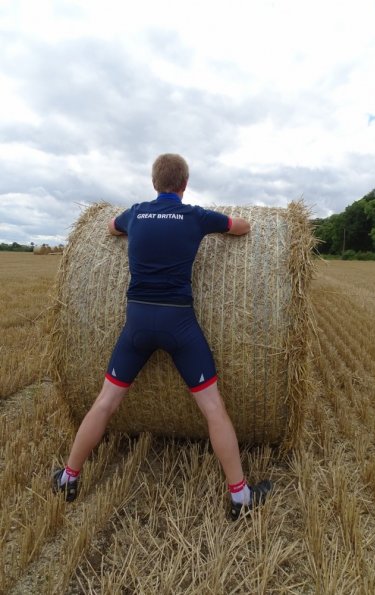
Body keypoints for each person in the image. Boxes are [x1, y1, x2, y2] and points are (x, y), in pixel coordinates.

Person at [52, 153, 272, 520]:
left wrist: (129, 226)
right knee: (213, 408)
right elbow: (241, 226)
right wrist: (237, 221)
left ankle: (68, 476)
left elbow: (110, 227)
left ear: (154, 183)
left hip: (136, 324)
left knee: (105, 402)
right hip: (179, 325)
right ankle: (240, 496)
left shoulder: (136, 213)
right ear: (184, 185)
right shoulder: (196, 216)